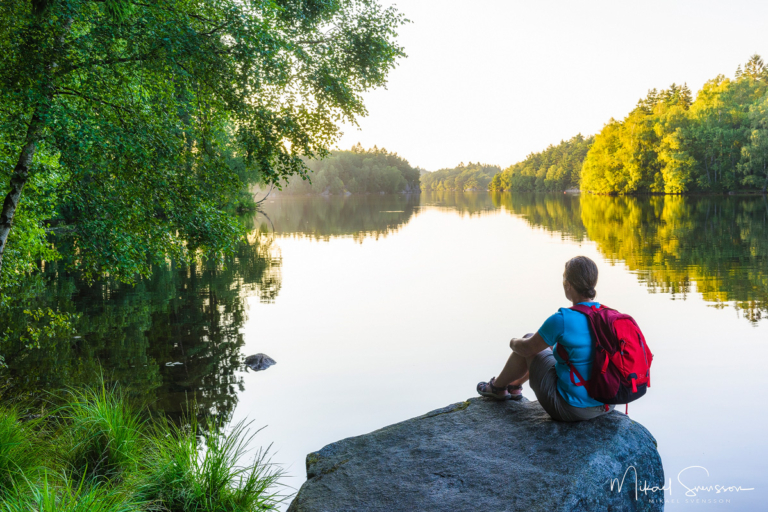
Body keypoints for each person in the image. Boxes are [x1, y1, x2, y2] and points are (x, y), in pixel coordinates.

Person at [476, 255, 615, 422]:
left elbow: (527, 348)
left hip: (572, 409)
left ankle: (497, 387)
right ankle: (514, 385)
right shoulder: (608, 315)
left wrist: (512, 342)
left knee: (529, 341)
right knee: (550, 346)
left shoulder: (562, 319)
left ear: (568, 284)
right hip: (608, 403)